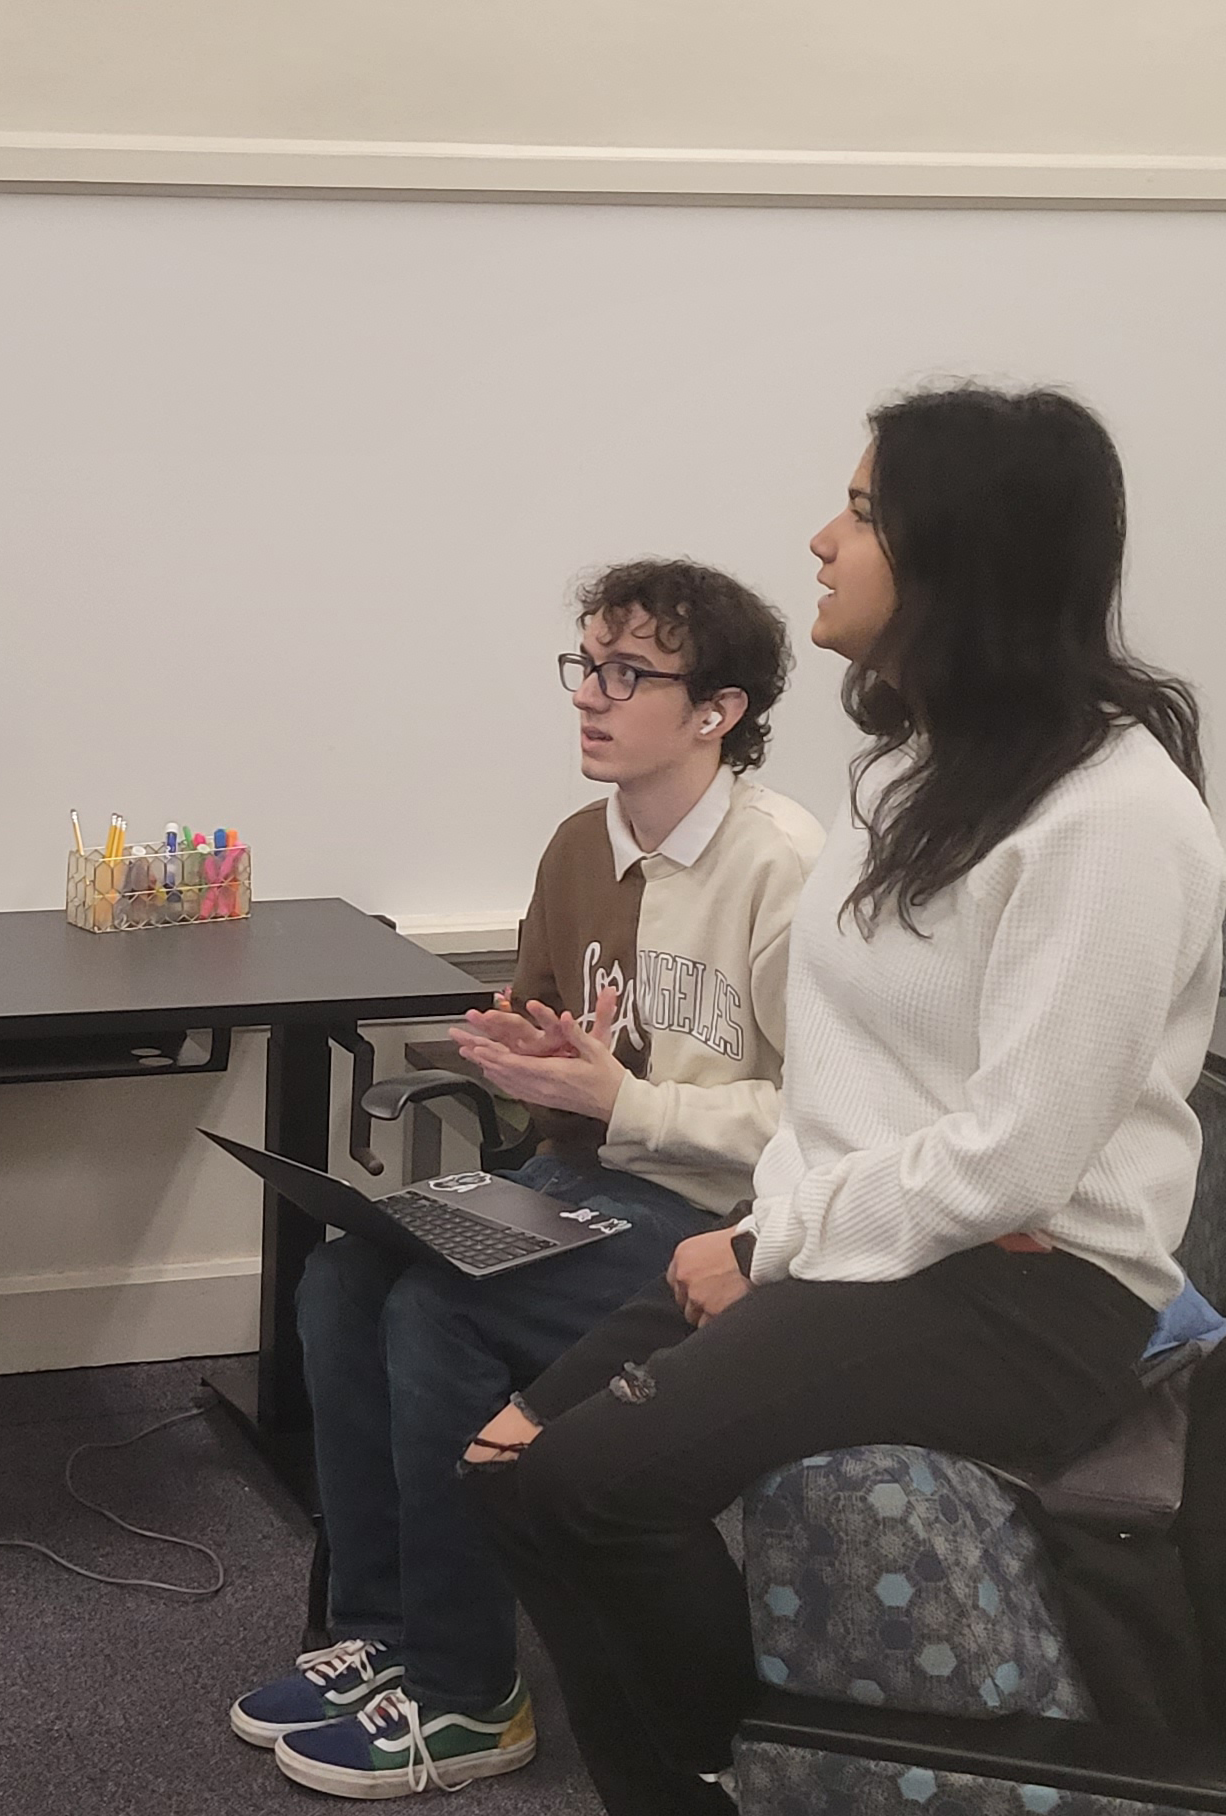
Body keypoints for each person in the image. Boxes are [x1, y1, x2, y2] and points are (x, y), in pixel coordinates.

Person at [465, 385, 1225, 1816]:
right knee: (507, 1470)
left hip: (1034, 1293)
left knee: (590, 1487)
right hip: (875, 1243)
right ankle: (694, 1777)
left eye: (864, 512)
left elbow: (1014, 1158)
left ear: (964, 553)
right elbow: (845, 1084)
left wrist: (766, 1251)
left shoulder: (1121, 823)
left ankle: (724, 1777)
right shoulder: (909, 778)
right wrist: (781, 1236)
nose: (822, 539)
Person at [232, 560, 823, 1797]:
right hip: (586, 1183)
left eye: (628, 674)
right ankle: (385, 1635)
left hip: (730, 1227)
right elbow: (560, 1052)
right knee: (345, 1275)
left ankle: (467, 1693)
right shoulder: (577, 847)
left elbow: (831, 1122)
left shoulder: (785, 870)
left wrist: (626, 1100)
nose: (590, 699)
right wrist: (527, 1061)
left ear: (716, 711)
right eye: (586, 668)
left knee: (443, 1307)